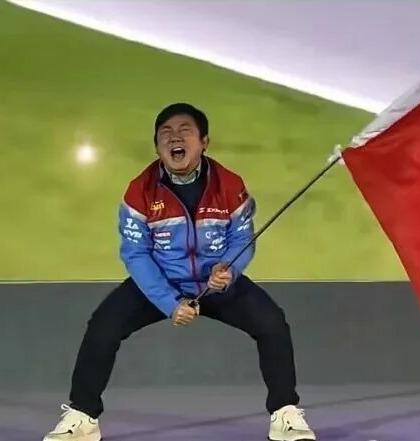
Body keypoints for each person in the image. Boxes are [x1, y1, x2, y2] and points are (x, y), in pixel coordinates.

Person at [42, 103, 316, 441]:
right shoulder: (139, 191)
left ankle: (285, 413)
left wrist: (229, 269)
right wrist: (170, 303)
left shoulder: (230, 185)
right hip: (162, 282)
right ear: (157, 146)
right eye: (166, 133)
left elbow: (242, 238)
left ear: (204, 142)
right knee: (103, 326)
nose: (174, 138)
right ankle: (83, 417)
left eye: (185, 131)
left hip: (216, 283)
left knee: (272, 323)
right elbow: (136, 254)